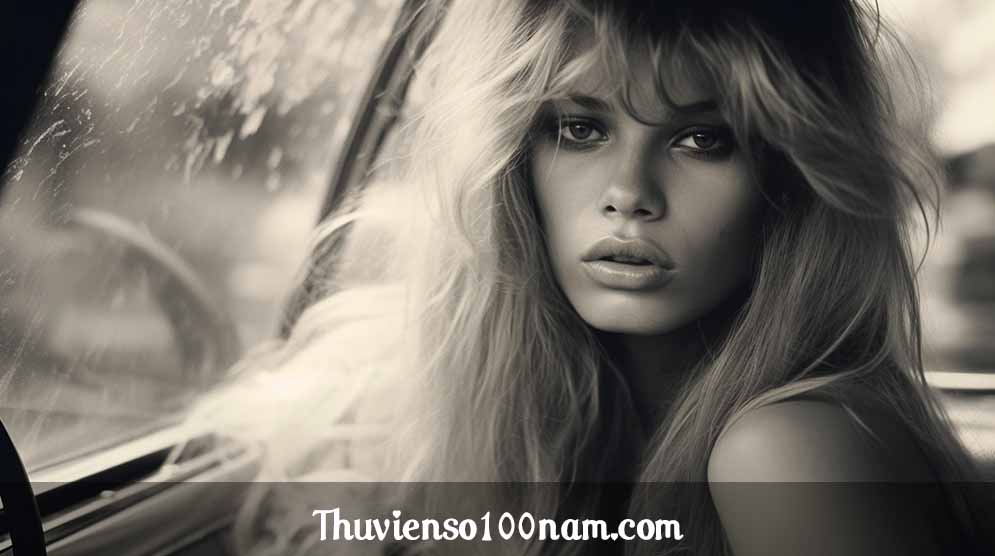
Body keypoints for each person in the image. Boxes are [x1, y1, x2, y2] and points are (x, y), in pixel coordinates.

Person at [196, 1, 994, 555]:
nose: (628, 194)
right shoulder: (538, 416)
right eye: (579, 129)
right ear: (515, 162)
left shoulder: (785, 448)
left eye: (702, 140)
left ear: (789, 181)